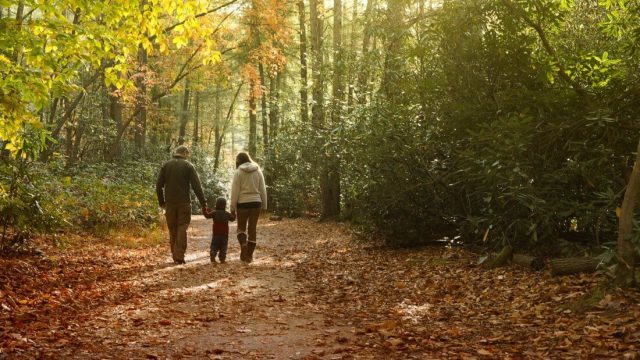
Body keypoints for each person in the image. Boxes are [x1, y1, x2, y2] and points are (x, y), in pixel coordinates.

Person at [156, 145, 208, 264]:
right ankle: (178, 255)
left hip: (169, 203)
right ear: (184, 153)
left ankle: (175, 254)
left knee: (172, 228)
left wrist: (161, 202)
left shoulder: (166, 165)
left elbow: (158, 185)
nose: (187, 157)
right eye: (187, 155)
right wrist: (203, 203)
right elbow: (197, 186)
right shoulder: (188, 166)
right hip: (184, 202)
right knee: (182, 227)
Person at [230, 152, 267, 263]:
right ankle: (249, 256)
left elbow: (235, 191)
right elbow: (262, 189)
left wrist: (232, 207)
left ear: (238, 161)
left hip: (243, 204)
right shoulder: (258, 170)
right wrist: (264, 205)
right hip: (256, 203)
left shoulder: (238, 172)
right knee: (252, 229)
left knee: (241, 228)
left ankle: (243, 244)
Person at [204, 197, 236, 263]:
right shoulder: (227, 214)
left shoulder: (214, 213)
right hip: (224, 234)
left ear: (216, 204)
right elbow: (233, 219)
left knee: (214, 245)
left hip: (216, 233)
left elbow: (207, 216)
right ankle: (222, 259)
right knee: (224, 246)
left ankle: (213, 252)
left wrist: (204, 209)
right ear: (225, 205)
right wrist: (233, 213)